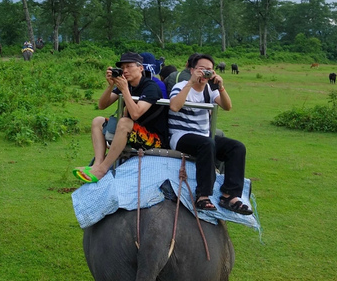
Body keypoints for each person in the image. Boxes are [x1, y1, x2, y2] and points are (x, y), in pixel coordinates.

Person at [168, 53, 252, 214]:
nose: (205, 73)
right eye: (201, 69)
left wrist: (220, 86)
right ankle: (203, 195)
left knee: (237, 147)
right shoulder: (181, 86)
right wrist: (191, 83)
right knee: (207, 143)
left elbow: (227, 106)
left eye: (209, 70)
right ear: (191, 70)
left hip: (204, 137)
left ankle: (230, 195)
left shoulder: (209, 89)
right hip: (181, 136)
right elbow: (174, 107)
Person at [73, 52, 167, 183]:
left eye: (129, 66)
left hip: (154, 138)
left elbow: (135, 114)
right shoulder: (127, 85)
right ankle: (97, 164)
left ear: (141, 68)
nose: (125, 71)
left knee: (124, 122)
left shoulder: (150, 87)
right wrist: (111, 85)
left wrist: (125, 90)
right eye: (123, 68)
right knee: (97, 121)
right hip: (134, 131)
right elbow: (102, 105)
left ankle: (103, 169)